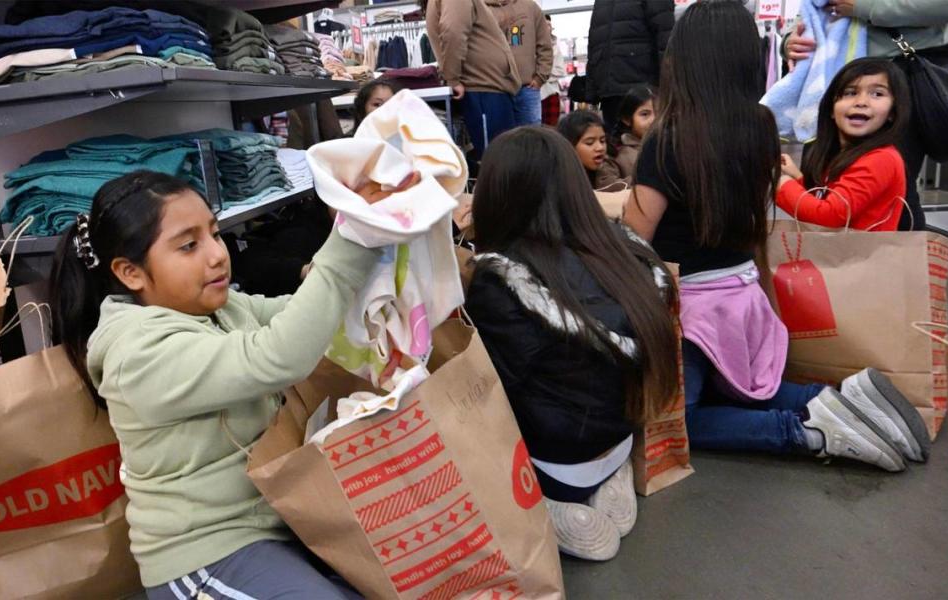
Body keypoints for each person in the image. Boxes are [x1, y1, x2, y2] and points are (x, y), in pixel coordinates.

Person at [49, 169, 417, 599]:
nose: (216, 255)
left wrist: (383, 270)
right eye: (189, 245)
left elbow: (297, 317)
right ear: (131, 273)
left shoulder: (216, 308)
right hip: (206, 554)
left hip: (281, 522)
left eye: (215, 234)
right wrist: (354, 237)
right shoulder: (139, 354)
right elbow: (279, 355)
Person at [622, 0, 929, 472]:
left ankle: (806, 433)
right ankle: (837, 397)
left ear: (681, 60)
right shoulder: (762, 126)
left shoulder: (667, 136)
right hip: (744, 296)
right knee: (744, 389)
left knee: (684, 417)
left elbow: (635, 237)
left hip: (691, 309)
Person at [465, 126, 680, 561]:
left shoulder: (502, 277)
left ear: (497, 192)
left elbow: (493, 390)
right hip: (622, 433)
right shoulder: (625, 249)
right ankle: (608, 476)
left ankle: (555, 502)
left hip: (555, 461)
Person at [784, 1, 948, 230]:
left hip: (896, 68)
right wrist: (790, 40)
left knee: (895, 189)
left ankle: (898, 261)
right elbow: (813, 8)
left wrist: (864, 6)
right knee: (821, 173)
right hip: (831, 74)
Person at [777, 58, 911, 231]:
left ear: (893, 112)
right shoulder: (848, 153)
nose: (861, 102)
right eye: (850, 92)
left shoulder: (880, 159)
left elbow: (829, 216)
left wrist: (782, 186)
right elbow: (830, 201)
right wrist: (797, 178)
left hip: (858, 257)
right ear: (831, 109)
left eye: (877, 94)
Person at [423, 0, 521, 162]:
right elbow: (453, 31)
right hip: (484, 88)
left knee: (501, 159)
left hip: (486, 86)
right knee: (499, 162)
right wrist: (453, 78)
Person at [586, 0, 674, 132]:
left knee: (649, 144)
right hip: (609, 91)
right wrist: (592, 88)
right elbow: (594, 41)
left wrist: (669, 84)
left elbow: (666, 37)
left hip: (642, 87)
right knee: (616, 146)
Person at [486, 0, 554, 126]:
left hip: (527, 88)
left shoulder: (530, 7)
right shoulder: (480, 8)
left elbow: (545, 46)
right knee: (500, 140)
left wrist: (540, 77)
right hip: (495, 89)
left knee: (531, 138)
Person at [557, 110, 624, 189]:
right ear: (569, 145)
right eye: (590, 143)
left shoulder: (607, 168)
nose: (600, 148)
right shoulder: (560, 181)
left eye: (602, 141)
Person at [608, 85, 657, 182]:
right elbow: (606, 185)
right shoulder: (616, 152)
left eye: (659, 113)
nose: (654, 120)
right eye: (645, 114)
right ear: (627, 119)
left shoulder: (670, 147)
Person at [540, 14, 566, 126]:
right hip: (536, 92)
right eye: (544, 25)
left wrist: (541, 74)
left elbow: (560, 71)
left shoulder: (556, 47)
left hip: (551, 92)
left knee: (551, 128)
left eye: (549, 25)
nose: (547, 28)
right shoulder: (532, 45)